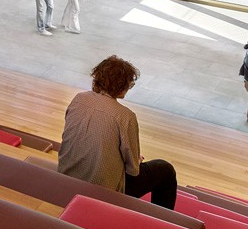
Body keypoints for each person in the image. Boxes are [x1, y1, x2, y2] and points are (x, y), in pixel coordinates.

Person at [57, 56, 177, 206]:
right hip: (103, 190)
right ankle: (161, 218)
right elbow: (133, 170)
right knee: (165, 170)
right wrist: (136, 160)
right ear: (123, 86)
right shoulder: (125, 116)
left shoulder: (79, 99)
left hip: (66, 176)